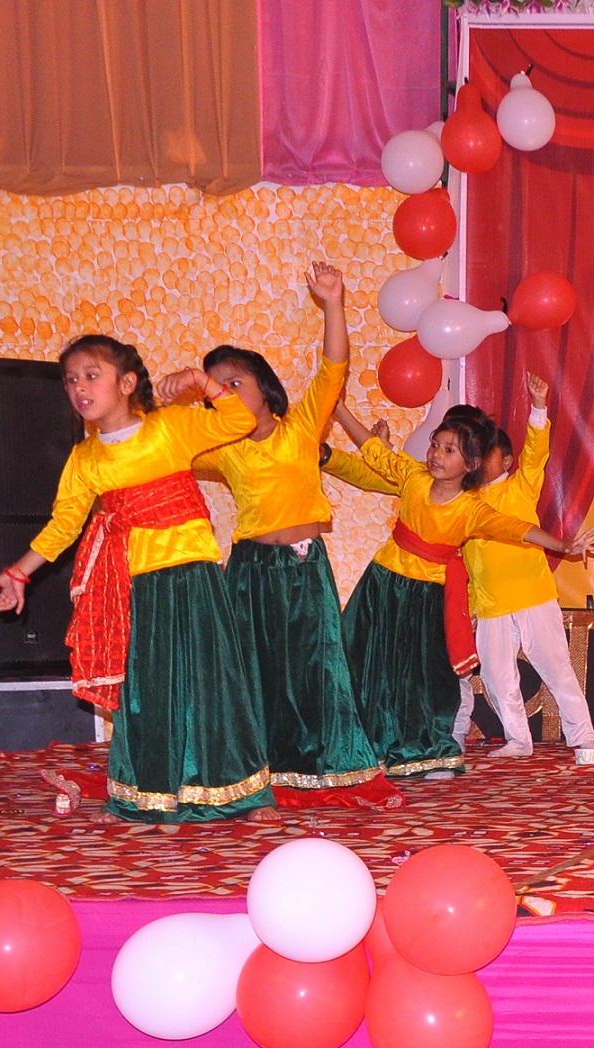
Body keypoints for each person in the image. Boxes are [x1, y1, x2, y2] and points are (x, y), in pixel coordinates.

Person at [0, 337, 274, 824]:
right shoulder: (86, 460)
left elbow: (240, 420)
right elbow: (63, 527)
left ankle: (241, 794)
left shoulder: (170, 427)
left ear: (126, 383)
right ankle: (152, 793)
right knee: (148, 689)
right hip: (137, 585)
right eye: (71, 379)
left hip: (194, 574)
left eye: (91, 374)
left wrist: (199, 381)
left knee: (213, 683)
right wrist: (18, 573)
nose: (79, 387)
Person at [190, 264, 397, 808]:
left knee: (319, 667)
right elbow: (163, 446)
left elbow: (333, 368)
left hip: (304, 568)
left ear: (265, 390)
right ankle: (253, 766)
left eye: (235, 383)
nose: (226, 395)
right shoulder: (223, 450)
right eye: (216, 391)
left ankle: (330, 764)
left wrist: (332, 302)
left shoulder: (302, 427)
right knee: (253, 669)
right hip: (251, 571)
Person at [333, 402, 589, 779]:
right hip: (382, 585)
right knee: (366, 663)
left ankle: (426, 753)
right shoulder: (413, 477)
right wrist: (339, 413)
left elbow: (515, 529)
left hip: (427, 598)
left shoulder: (472, 508)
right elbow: (371, 450)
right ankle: (363, 747)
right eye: (436, 445)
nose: (436, 454)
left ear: (470, 465)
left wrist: (563, 545)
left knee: (426, 678)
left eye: (449, 450)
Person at [453, 374, 594, 767]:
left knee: (556, 669)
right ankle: (518, 738)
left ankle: (584, 739)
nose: (477, 461)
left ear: (505, 460)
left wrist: (538, 408)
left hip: (534, 596)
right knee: (497, 678)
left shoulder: (520, 486)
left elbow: (536, 452)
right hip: (490, 605)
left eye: (485, 454)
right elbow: (470, 561)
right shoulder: (464, 502)